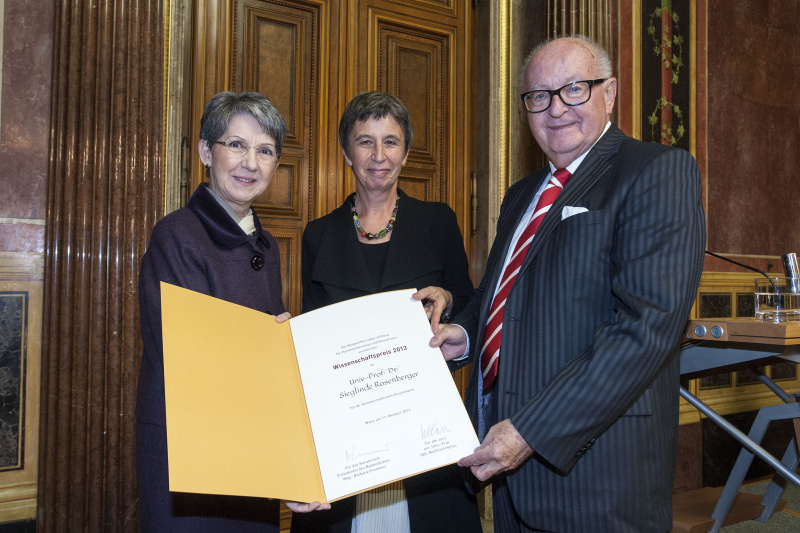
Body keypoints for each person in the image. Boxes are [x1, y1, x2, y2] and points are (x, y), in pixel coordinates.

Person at [430, 35, 706, 533]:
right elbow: (503, 294)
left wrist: (532, 431)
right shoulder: (520, 195)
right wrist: (466, 334)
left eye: (574, 89)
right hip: (510, 470)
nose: (555, 109)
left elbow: (645, 331)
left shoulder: (656, 171)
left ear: (611, 93)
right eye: (539, 96)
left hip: (596, 473)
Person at [136, 91, 329, 531]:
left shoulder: (263, 245)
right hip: (190, 462)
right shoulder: (177, 235)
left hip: (249, 462)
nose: (250, 163)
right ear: (206, 151)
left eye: (265, 151)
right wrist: (271, 348)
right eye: (236, 145)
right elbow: (191, 358)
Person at [290, 91, 481, 533]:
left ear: (406, 152)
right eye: (365, 141)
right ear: (345, 153)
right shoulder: (318, 235)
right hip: (346, 440)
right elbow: (313, 338)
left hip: (424, 435)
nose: (379, 155)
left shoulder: (438, 222)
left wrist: (449, 302)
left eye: (391, 142)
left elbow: (470, 302)